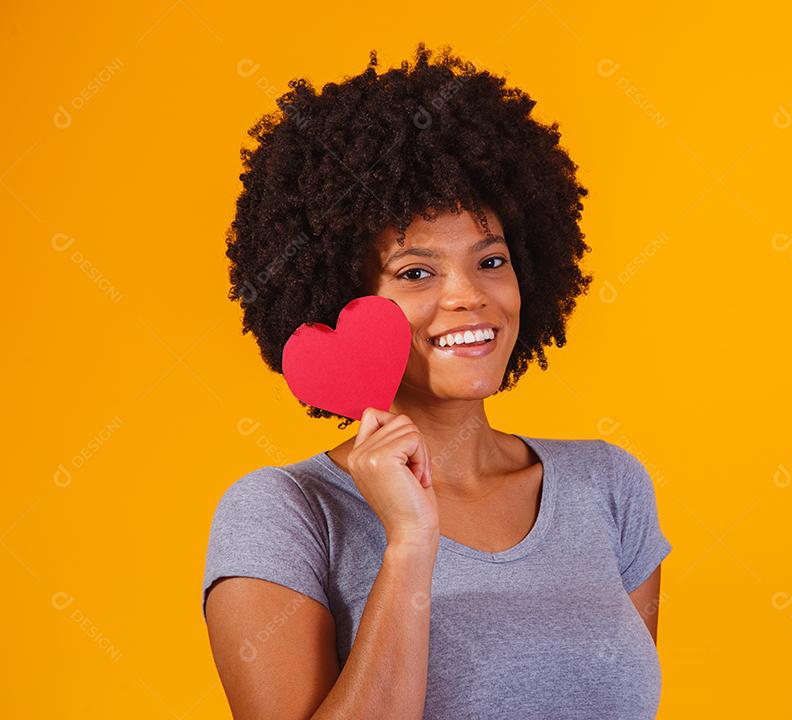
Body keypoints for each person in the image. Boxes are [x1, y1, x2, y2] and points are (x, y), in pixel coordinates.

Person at [202, 42, 673, 720]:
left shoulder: (609, 489)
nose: (467, 297)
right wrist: (410, 542)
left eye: (491, 260)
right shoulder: (284, 514)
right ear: (340, 298)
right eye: (417, 272)